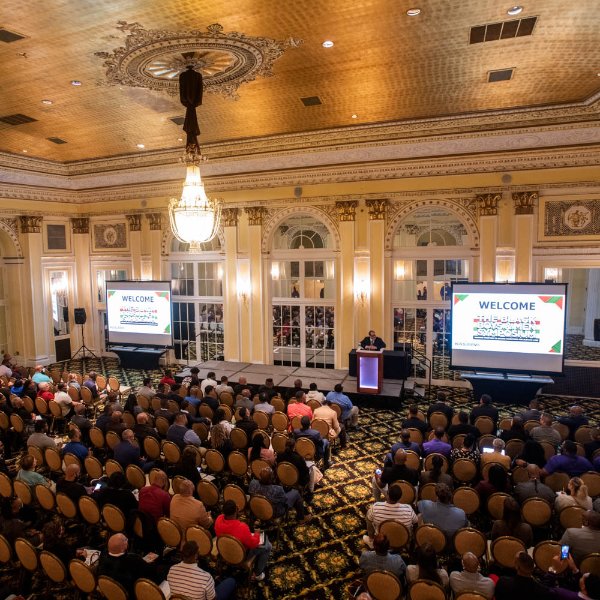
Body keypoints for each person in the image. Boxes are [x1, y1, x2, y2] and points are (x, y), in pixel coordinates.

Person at [214, 499, 272, 581]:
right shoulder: (242, 527)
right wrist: (257, 533)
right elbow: (253, 544)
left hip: (224, 550)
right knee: (268, 545)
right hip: (241, 555)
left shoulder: (218, 519)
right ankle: (258, 573)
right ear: (236, 511)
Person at [167, 540, 236, 600]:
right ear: (196, 555)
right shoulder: (206, 577)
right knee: (231, 581)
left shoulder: (172, 570)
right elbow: (212, 599)